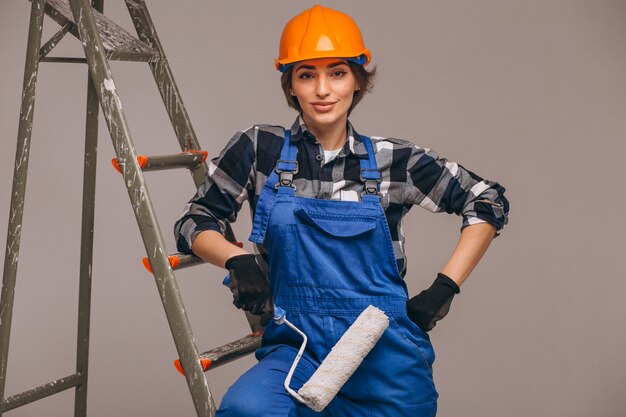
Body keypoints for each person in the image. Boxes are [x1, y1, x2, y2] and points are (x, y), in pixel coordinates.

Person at [174, 4, 509, 416]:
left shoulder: (394, 160)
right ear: (291, 85)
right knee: (247, 410)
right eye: (306, 74)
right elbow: (196, 220)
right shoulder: (259, 148)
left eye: (337, 72)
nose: (322, 89)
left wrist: (446, 287)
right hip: (297, 346)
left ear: (357, 82)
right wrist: (236, 258)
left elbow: (486, 199)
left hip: (382, 353)